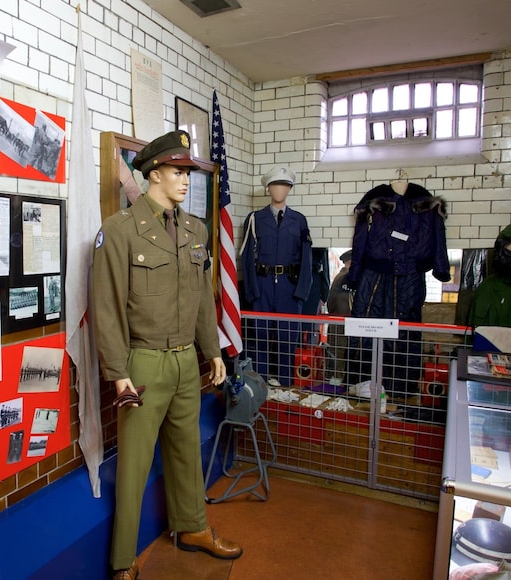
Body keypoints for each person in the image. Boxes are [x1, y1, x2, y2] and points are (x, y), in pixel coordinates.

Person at [92, 130, 242, 580]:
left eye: (186, 173)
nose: (185, 180)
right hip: (142, 365)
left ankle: (192, 527)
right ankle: (123, 560)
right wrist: (117, 372)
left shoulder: (194, 230)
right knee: (135, 465)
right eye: (178, 172)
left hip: (184, 363)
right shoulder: (119, 231)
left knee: (186, 452)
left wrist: (211, 351)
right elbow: (107, 306)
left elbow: (200, 299)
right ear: (154, 173)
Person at [346, 180, 450, 395]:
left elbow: (439, 235)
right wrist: (354, 275)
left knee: (406, 331)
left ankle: (401, 389)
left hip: (410, 277)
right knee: (366, 327)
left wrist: (441, 268)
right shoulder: (375, 199)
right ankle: (362, 385)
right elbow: (360, 239)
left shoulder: (425, 201)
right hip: (374, 277)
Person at [241, 165, 313, 386]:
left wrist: (301, 293)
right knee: (259, 337)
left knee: (287, 337)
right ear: (268, 188)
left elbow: (307, 259)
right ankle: (260, 384)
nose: (280, 190)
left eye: (284, 185)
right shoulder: (255, 219)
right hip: (262, 285)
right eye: (275, 185)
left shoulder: (299, 220)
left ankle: (284, 384)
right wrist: (252, 291)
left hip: (288, 288)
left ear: (290, 189)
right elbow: (246, 258)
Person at [325, 250, 354, 386]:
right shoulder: (346, 278)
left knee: (336, 354)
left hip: (337, 322)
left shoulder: (339, 277)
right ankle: (336, 385)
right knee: (339, 355)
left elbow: (330, 302)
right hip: (343, 323)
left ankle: (334, 383)